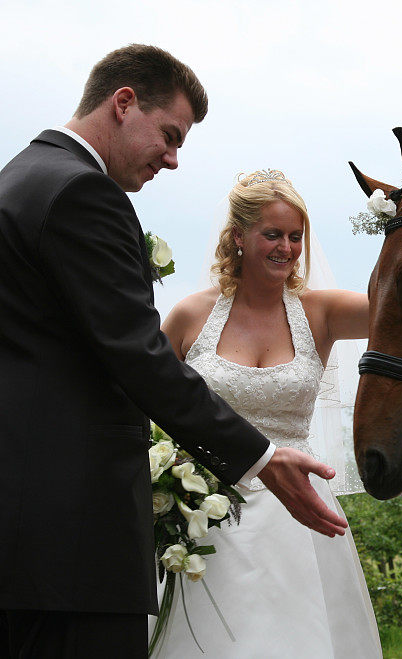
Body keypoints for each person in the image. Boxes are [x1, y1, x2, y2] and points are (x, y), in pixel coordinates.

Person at [0, 46, 346, 659]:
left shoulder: (17, 180)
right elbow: (137, 356)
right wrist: (261, 457)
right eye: (168, 135)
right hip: (72, 540)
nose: (173, 158)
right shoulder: (82, 193)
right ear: (124, 102)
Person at [156, 170, 380, 658]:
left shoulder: (321, 312)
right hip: (206, 514)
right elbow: (149, 403)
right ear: (238, 236)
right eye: (272, 234)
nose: (286, 248)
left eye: (295, 236)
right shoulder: (189, 316)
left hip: (299, 513)